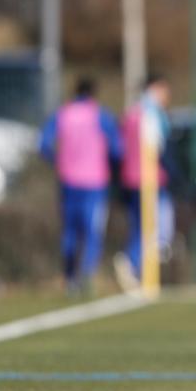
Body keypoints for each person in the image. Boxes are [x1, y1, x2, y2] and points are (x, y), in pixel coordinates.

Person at [39, 76, 122, 295]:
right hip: (94, 182)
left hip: (68, 180)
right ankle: (87, 273)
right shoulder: (100, 115)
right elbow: (117, 149)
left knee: (70, 231)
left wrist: (58, 161)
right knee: (92, 229)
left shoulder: (63, 114)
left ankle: (69, 278)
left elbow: (44, 144)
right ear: (94, 93)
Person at [114, 73, 175, 287]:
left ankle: (135, 266)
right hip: (149, 179)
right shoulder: (152, 114)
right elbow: (158, 148)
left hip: (130, 179)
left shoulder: (132, 113)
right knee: (153, 225)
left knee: (140, 225)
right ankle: (132, 261)